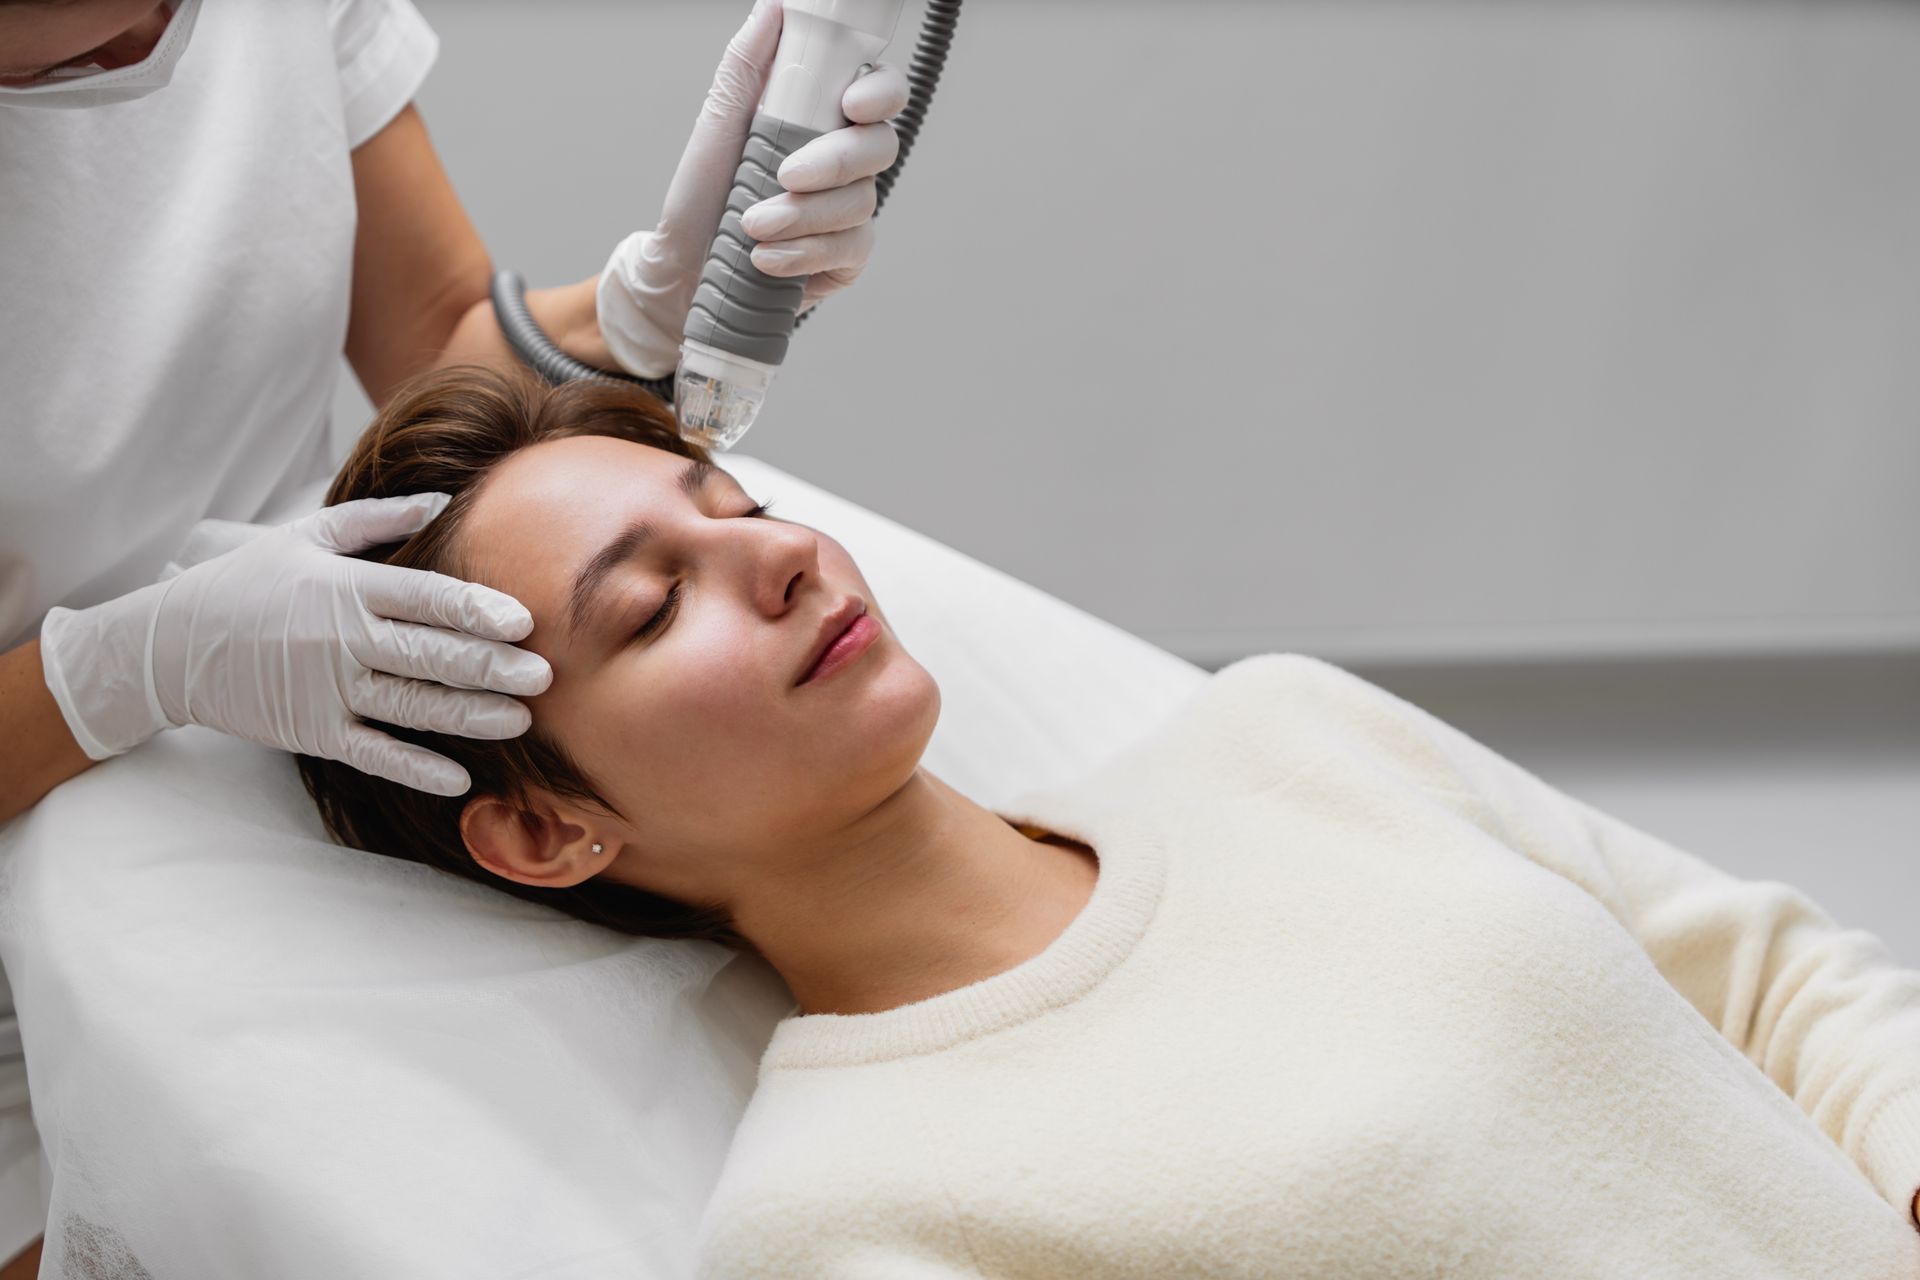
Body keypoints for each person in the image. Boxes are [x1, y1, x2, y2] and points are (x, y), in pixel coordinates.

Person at [297, 362, 1920, 1279]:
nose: (782, 561)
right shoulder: (849, 1220)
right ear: (541, 830)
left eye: (740, 512)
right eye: (652, 609)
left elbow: (1776, 983)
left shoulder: (1290, 737)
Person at [0, 0, 910, 827]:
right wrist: (124, 669)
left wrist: (631, 315)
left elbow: (435, 354)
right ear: (539, 833)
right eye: (653, 610)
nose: (159, 46)